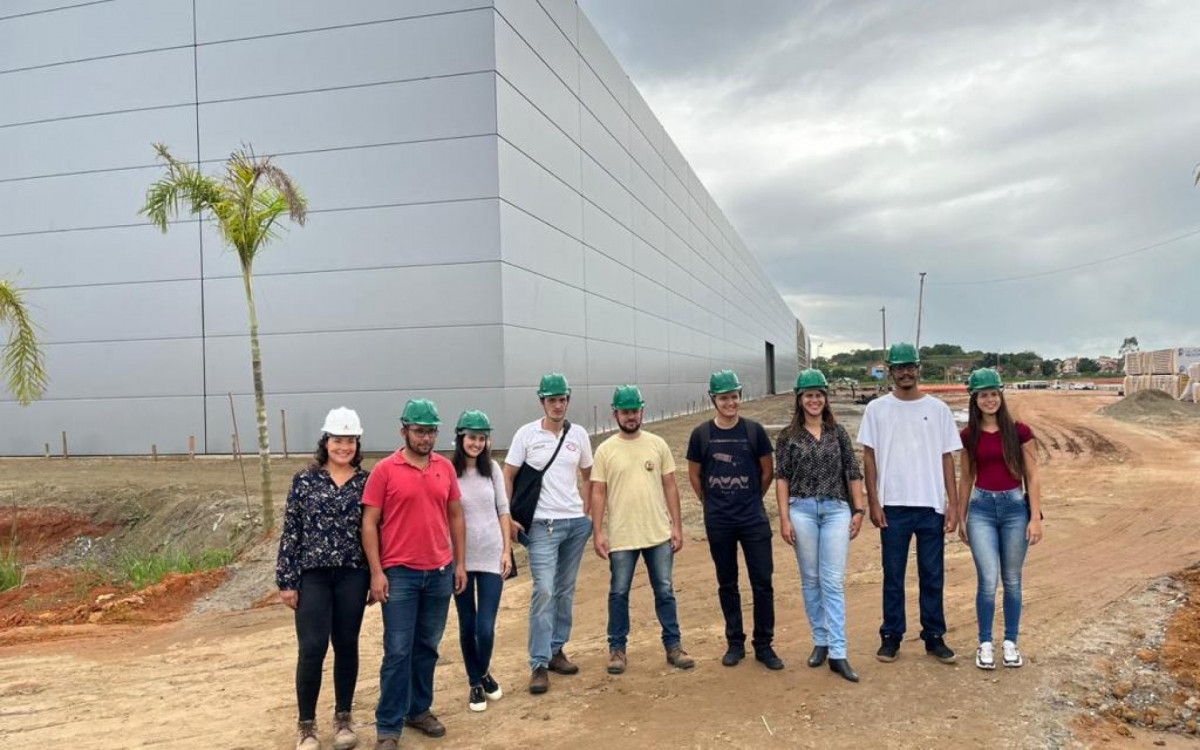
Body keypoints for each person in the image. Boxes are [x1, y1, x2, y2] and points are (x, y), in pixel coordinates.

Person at [362, 399, 466, 749]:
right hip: (400, 574)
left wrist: (459, 563)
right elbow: (369, 523)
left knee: (427, 647)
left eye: (431, 431)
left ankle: (419, 710)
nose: (426, 438)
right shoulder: (385, 471)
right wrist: (377, 573)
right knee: (397, 650)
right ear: (404, 430)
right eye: (419, 431)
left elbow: (455, 516)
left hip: (438, 573)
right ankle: (388, 726)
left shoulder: (445, 468)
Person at [859, 343, 962, 665]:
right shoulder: (877, 409)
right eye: (899, 368)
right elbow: (869, 457)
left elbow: (947, 458)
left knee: (932, 575)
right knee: (893, 575)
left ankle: (934, 637)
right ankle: (891, 636)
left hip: (930, 505)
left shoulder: (939, 409)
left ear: (919, 369)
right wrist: (873, 501)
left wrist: (953, 504)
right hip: (893, 506)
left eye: (910, 367)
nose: (906, 372)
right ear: (891, 371)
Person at [277, 407, 370, 750]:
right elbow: (292, 531)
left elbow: (376, 530)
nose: (343, 446)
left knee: (346, 645)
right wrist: (286, 580)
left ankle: (343, 719)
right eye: (337, 440)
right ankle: (307, 726)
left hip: (353, 574)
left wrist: (377, 574)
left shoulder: (367, 481)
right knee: (312, 648)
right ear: (326, 441)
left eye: (350, 440)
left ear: (357, 444)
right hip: (313, 575)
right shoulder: (304, 480)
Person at [591, 385, 694, 674]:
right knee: (619, 592)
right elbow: (598, 492)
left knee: (664, 590)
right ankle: (617, 650)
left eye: (634, 411)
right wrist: (598, 531)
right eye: (625, 411)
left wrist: (677, 526)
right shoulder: (606, 450)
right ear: (615, 414)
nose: (631, 416)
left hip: (658, 534)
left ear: (641, 411)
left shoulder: (657, 444)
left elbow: (670, 485)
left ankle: (674, 646)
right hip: (623, 537)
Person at [503, 373, 594, 694]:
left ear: (568, 400)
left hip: (574, 524)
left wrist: (588, 514)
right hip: (542, 525)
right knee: (543, 590)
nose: (558, 405)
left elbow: (588, 475)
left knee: (565, 590)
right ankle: (538, 663)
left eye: (563, 399)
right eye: (552, 400)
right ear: (542, 402)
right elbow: (509, 474)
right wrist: (509, 516)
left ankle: (556, 650)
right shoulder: (526, 435)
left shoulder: (578, 435)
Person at [686, 369, 781, 670]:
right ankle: (735, 643)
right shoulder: (701, 435)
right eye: (724, 397)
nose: (730, 402)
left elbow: (767, 471)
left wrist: (751, 498)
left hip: (753, 520)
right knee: (727, 583)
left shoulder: (753, 431)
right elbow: (694, 475)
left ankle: (764, 645)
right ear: (713, 398)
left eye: (734, 396)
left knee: (762, 582)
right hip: (719, 522)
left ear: (740, 397)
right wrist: (712, 503)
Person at [775, 370, 866, 683]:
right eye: (808, 395)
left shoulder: (837, 432)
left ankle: (839, 652)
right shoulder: (788, 437)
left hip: (836, 509)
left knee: (832, 580)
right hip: (801, 509)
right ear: (800, 399)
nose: (814, 400)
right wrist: (785, 517)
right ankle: (821, 641)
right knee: (810, 579)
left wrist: (859, 510)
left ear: (825, 398)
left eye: (819, 395)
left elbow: (853, 472)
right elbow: (782, 478)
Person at [956, 368, 1043, 670]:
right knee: (988, 580)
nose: (989, 399)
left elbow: (1032, 477)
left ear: (1001, 396)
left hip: (1014, 509)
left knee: (1013, 580)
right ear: (975, 399)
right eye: (983, 395)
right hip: (980, 509)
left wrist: (1035, 518)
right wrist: (961, 515)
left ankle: (1010, 643)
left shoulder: (1020, 432)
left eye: (994, 394)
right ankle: (984, 644)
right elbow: (966, 477)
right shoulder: (968, 436)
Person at [450, 409, 513, 710]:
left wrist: (506, 551)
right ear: (460, 438)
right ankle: (475, 683)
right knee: (468, 624)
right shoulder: (449, 471)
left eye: (482, 438)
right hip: (460, 559)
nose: (476, 443)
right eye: (471, 437)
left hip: (490, 555)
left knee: (485, 626)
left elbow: (503, 510)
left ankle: (483, 670)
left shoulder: (494, 470)